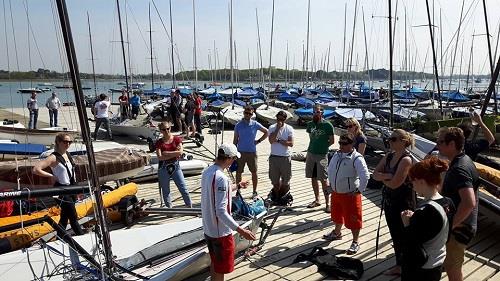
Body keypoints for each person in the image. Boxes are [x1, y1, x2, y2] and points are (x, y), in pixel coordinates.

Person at [201, 143, 256, 281]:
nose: (234, 162)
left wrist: (237, 186)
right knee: (221, 270)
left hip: (209, 230)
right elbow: (221, 211)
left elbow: (214, 192)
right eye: (234, 159)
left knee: (216, 264)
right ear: (229, 158)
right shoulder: (222, 178)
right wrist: (242, 231)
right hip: (221, 234)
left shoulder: (208, 172)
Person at [400, 157, 456, 281]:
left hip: (420, 268)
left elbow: (411, 245)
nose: (412, 186)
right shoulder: (448, 203)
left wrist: (406, 223)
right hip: (437, 261)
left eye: (412, 181)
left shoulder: (424, 211)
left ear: (421, 181)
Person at [437, 127, 479, 281]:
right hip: (464, 224)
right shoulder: (464, 159)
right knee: (452, 264)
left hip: (460, 228)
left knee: (452, 267)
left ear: (452, 144)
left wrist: (451, 226)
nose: (437, 145)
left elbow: (469, 203)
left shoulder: (459, 169)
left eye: (440, 142)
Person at [372, 129, 416, 276]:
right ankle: (400, 264)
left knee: (405, 234)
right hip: (390, 201)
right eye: (389, 139)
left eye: (393, 139)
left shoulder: (406, 159)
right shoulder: (389, 156)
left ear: (403, 141)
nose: (389, 141)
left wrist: (384, 178)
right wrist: (388, 176)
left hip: (404, 203)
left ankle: (406, 265)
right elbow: (374, 174)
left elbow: (395, 183)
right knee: (395, 233)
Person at [323, 133, 369, 255]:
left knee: (354, 219)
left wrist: (359, 190)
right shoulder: (336, 155)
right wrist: (329, 184)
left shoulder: (357, 158)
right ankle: (337, 233)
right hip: (336, 193)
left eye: (345, 143)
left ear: (352, 144)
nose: (341, 146)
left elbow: (365, 176)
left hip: (350, 195)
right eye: (340, 143)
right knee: (336, 215)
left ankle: (355, 241)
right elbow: (330, 169)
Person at [32, 133, 84, 237]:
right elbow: (35, 169)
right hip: (62, 190)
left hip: (71, 189)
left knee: (64, 217)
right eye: (65, 142)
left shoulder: (67, 154)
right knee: (73, 217)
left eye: (70, 142)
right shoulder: (53, 157)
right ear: (58, 142)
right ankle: (81, 237)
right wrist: (51, 176)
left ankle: (60, 237)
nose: (68, 144)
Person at [233, 106, 269, 199]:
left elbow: (267, 132)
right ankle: (238, 191)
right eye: (246, 113)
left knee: (254, 172)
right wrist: (234, 153)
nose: (248, 115)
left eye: (250, 113)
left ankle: (254, 191)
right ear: (243, 113)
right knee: (238, 172)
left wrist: (259, 141)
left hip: (252, 152)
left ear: (252, 115)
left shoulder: (255, 124)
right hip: (240, 152)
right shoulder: (238, 125)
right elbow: (235, 140)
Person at [305, 105, 335, 212]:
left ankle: (328, 203)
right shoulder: (310, 124)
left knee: (323, 179)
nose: (316, 113)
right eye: (314, 112)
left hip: (322, 155)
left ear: (322, 113)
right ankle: (317, 199)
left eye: (318, 112)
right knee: (313, 177)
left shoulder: (327, 125)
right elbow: (311, 138)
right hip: (311, 154)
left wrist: (323, 146)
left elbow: (332, 141)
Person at [155, 122, 192, 208]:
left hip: (176, 166)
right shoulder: (159, 142)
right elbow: (160, 157)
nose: (167, 131)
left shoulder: (176, 139)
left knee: (183, 188)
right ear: (161, 131)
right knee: (166, 190)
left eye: (168, 128)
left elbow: (180, 152)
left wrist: (167, 153)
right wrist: (174, 154)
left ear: (170, 128)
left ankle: (189, 206)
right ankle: (169, 209)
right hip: (163, 168)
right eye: (164, 129)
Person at [268, 110, 294, 203]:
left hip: (285, 157)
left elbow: (291, 143)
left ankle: (283, 196)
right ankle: (276, 197)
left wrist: (278, 140)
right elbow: (271, 140)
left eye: (282, 119)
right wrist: (277, 129)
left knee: (285, 182)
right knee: (274, 181)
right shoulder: (272, 127)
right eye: (279, 119)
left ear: (285, 119)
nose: (280, 121)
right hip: (274, 157)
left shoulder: (289, 128)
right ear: (276, 118)